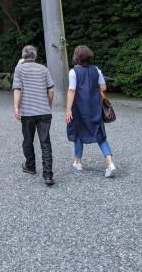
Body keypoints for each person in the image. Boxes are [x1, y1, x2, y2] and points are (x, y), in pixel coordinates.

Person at [65, 45, 116, 178]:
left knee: (78, 132)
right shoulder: (96, 70)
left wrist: (68, 110)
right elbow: (103, 87)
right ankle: (110, 163)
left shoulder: (73, 72)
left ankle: (78, 162)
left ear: (77, 57)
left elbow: (72, 90)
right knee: (100, 134)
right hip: (95, 107)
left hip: (79, 108)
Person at [12, 45, 55, 186]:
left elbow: (17, 90)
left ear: (24, 55)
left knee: (28, 140)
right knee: (45, 142)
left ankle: (30, 166)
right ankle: (48, 175)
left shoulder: (19, 69)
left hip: (28, 112)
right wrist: (48, 105)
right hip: (44, 111)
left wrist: (16, 107)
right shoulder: (44, 69)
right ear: (35, 55)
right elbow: (51, 90)